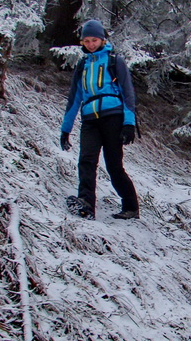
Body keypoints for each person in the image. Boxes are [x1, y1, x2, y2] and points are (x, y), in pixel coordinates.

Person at [60, 19, 139, 220]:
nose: (90, 44)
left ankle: (130, 207)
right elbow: (74, 98)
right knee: (86, 161)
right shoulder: (82, 65)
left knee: (113, 165)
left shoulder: (115, 61)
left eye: (94, 40)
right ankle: (86, 204)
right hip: (89, 121)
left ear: (102, 39)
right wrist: (65, 129)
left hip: (113, 118)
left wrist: (129, 123)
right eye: (86, 41)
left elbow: (128, 94)